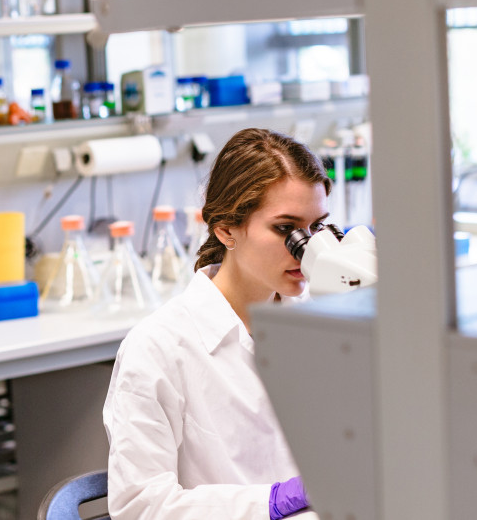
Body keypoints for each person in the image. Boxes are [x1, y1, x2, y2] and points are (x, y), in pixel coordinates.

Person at [103, 128, 331, 519]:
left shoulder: (323, 325)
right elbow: (140, 507)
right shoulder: (159, 348)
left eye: (317, 227)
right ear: (226, 229)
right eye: (285, 229)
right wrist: (269, 503)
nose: (306, 247)